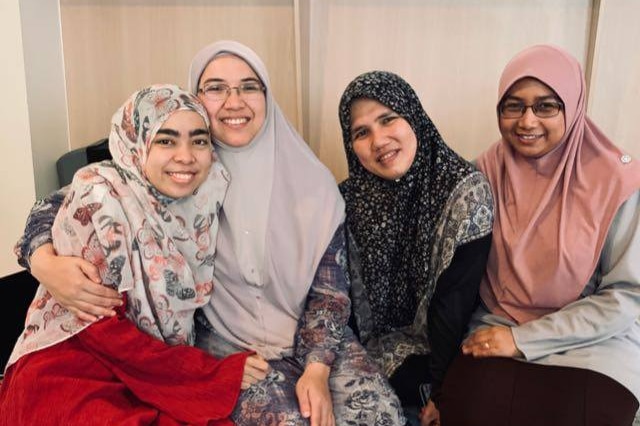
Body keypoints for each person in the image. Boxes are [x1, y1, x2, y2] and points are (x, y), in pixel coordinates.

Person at [13, 41, 404, 425]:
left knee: (378, 414)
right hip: (221, 341)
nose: (234, 102)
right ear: (196, 98)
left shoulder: (306, 183)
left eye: (250, 86)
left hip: (314, 338)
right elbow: (66, 205)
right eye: (216, 88)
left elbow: (330, 293)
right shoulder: (177, 174)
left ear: (267, 96)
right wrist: (42, 259)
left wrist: (316, 369)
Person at [0, 84, 253, 425]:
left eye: (199, 140)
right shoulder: (100, 197)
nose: (186, 155)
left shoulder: (207, 194)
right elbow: (103, 331)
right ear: (136, 142)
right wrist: (212, 374)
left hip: (147, 366)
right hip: (73, 367)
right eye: (165, 140)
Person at [438, 44, 640, 426]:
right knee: (468, 411)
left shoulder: (619, 182)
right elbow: (457, 278)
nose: (526, 121)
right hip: (498, 326)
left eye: (546, 106)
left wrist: (525, 341)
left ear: (573, 106)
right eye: (513, 105)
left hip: (595, 344)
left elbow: (626, 296)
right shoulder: (481, 175)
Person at [337, 71, 494, 425]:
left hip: (445, 347)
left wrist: (442, 393)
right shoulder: (345, 200)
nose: (378, 140)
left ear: (414, 116)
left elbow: (452, 306)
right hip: (367, 349)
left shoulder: (465, 194)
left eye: (388, 119)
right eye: (362, 132)